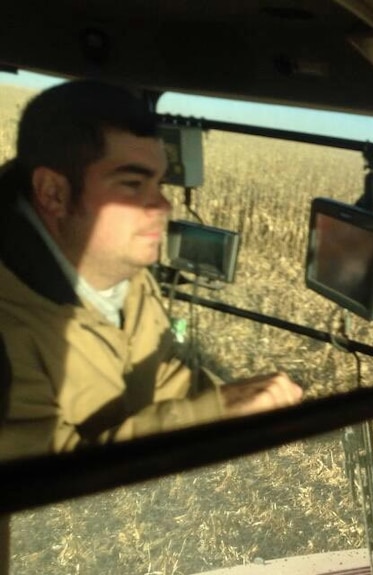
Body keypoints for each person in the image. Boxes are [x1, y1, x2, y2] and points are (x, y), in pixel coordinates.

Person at [0, 80, 303, 459]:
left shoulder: (127, 274)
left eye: (158, 183)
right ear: (53, 193)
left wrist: (241, 405)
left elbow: (156, 372)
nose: (162, 206)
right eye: (132, 184)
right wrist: (213, 412)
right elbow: (49, 495)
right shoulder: (10, 328)